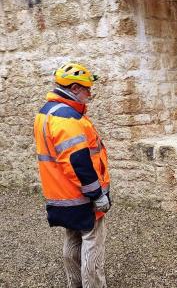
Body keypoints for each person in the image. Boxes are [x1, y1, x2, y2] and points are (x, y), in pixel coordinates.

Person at [33, 63, 111, 288]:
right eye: (87, 88)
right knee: (92, 243)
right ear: (75, 87)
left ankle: (75, 284)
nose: (90, 93)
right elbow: (78, 163)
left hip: (61, 195)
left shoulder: (45, 113)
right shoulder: (68, 118)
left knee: (72, 238)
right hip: (82, 196)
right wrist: (97, 194)